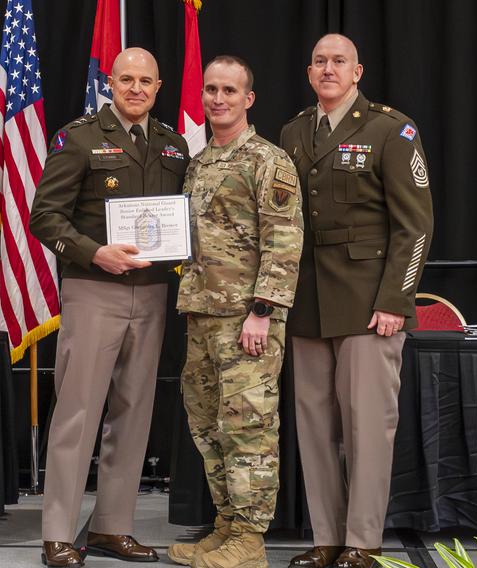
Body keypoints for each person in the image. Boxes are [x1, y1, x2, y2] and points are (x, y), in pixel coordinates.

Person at [30, 47, 190, 567]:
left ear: (159, 86)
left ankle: (111, 527)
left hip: (153, 292)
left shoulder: (173, 145)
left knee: (133, 411)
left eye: (146, 80)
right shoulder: (78, 137)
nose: (136, 89)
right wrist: (94, 251)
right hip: (93, 288)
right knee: (77, 412)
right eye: (127, 79)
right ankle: (57, 532)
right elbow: (45, 217)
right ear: (111, 83)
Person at [279, 34, 434, 568]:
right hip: (307, 300)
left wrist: (396, 298)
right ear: (308, 70)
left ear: (357, 71)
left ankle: (362, 542)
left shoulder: (390, 129)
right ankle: (326, 538)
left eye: (338, 61)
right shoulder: (294, 130)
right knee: (314, 426)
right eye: (319, 61)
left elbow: (415, 226)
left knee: (368, 427)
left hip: (370, 304)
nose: (328, 69)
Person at [168, 55, 304, 568]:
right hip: (202, 314)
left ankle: (250, 540)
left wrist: (263, 311)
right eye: (211, 90)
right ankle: (226, 524)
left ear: (248, 99)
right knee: (208, 425)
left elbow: (284, 241)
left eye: (229, 91)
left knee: (249, 427)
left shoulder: (267, 160)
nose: (218, 99)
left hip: (247, 319)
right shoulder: (200, 162)